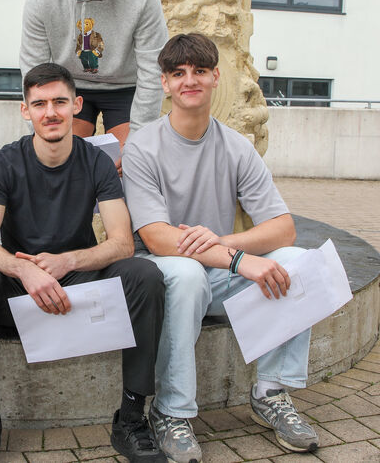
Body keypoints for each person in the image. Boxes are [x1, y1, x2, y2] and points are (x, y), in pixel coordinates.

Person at [122, 33, 319, 463]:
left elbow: (283, 229)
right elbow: (157, 237)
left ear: (214, 77)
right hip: (164, 270)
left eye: (198, 71)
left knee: (299, 264)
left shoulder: (236, 147)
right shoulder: (142, 146)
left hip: (218, 266)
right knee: (187, 273)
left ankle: (270, 391)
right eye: (179, 73)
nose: (189, 80)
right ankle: (170, 412)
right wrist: (239, 259)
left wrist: (226, 243)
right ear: (165, 84)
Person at [0, 63, 166, 462]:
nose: (49, 112)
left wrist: (67, 260)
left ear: (77, 105)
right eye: (39, 104)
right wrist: (25, 270)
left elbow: (122, 243)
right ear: (25, 110)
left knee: (145, 275)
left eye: (59, 102)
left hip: (79, 277)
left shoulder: (98, 161)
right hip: (23, 285)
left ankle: (132, 416)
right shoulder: (5, 161)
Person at [20, 0, 169, 166]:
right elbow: (34, 70)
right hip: (70, 84)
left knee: (132, 162)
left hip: (124, 85)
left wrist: (137, 138)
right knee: (64, 161)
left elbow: (152, 69)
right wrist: (43, 129)